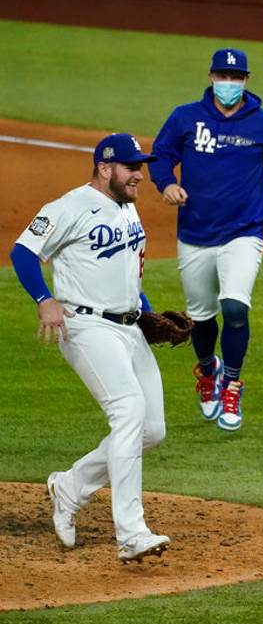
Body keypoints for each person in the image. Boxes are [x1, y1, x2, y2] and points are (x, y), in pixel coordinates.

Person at [10, 134, 171, 563]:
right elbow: (23, 251)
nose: (139, 175)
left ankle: (69, 487)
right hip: (85, 326)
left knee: (151, 430)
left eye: (141, 166)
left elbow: (127, 270)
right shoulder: (69, 207)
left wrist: (147, 312)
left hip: (129, 328)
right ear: (104, 168)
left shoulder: (128, 206)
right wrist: (44, 299)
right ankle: (131, 534)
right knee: (128, 411)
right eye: (131, 167)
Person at [150, 47, 263, 432]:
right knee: (202, 318)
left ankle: (233, 385)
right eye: (222, 75)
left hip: (244, 232)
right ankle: (209, 371)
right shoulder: (185, 117)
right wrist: (167, 183)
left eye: (235, 77)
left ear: (246, 80)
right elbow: (161, 155)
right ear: (211, 77)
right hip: (195, 232)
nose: (228, 83)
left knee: (235, 308)